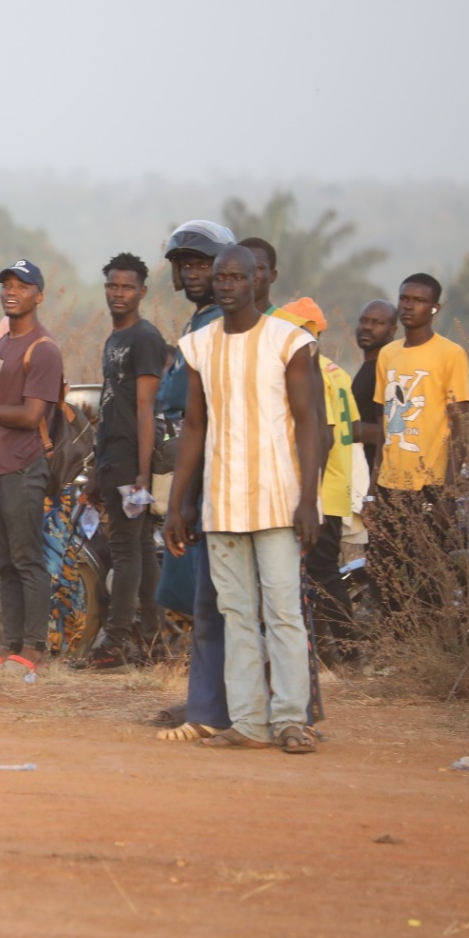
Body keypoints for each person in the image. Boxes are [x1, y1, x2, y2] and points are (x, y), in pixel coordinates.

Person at [164, 245, 322, 753]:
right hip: (222, 501)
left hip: (278, 498)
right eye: (220, 277)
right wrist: (176, 504)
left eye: (237, 276)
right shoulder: (199, 345)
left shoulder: (288, 341)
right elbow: (193, 427)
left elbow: (309, 423)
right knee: (235, 613)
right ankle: (251, 722)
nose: (227, 285)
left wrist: (309, 500)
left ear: (258, 280)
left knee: (282, 612)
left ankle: (292, 720)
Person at [149, 220, 232, 740]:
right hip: (190, 472)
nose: (194, 273)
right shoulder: (197, 323)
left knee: (214, 598)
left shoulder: (223, 325)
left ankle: (213, 707)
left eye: (203, 264)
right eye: (187, 266)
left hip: (212, 476)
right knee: (194, 595)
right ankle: (201, 700)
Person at [0, 259, 63, 674]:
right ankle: (10, 640)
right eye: (6, 283)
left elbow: (30, 416)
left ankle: (34, 647)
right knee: (3, 560)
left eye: (22, 285)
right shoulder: (3, 345)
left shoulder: (44, 350)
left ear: (39, 295)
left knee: (27, 560)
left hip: (22, 467)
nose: (11, 291)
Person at [80, 253, 165, 670]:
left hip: (133, 458)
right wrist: (98, 467)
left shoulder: (145, 339)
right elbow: (112, 406)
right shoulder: (115, 339)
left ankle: (115, 642)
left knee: (127, 551)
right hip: (113, 457)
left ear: (142, 292)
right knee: (142, 551)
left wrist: (142, 471)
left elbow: (146, 407)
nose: (118, 293)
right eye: (112, 286)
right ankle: (152, 642)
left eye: (127, 287)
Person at [369, 273, 469, 612]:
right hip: (390, 483)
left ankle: (430, 644)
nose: (409, 305)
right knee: (383, 569)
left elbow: (460, 427)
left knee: (427, 570)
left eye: (418, 300)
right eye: (404, 298)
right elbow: (386, 423)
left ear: (434, 308)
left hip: (429, 483)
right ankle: (392, 645)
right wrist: (373, 486)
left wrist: (448, 492)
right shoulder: (388, 354)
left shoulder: (450, 353)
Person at [280, 297, 361, 661]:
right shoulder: (336, 372)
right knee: (321, 572)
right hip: (335, 485)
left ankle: (349, 652)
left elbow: (323, 435)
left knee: (322, 573)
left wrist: (306, 491)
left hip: (320, 488)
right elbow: (354, 429)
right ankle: (334, 652)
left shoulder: (309, 372)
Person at [350, 300, 399, 473]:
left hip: (381, 475)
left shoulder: (387, 370)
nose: (367, 327)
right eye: (363, 321)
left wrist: (345, 428)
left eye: (377, 322)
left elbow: (392, 431)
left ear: (392, 331)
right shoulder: (369, 366)